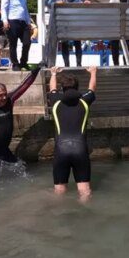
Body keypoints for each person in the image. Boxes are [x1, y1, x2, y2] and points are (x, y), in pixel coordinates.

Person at [47, 66, 97, 201]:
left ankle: (58, 216)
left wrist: (53, 74)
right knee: (84, 189)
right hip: (80, 149)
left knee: (59, 189)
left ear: (62, 87)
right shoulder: (85, 100)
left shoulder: (56, 101)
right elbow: (92, 89)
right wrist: (93, 72)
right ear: (77, 86)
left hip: (61, 149)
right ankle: (85, 216)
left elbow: (52, 89)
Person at [48, 0, 91, 67]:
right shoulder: (58, 0)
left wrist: (86, 2)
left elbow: (84, 3)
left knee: (77, 44)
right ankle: (66, 64)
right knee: (65, 44)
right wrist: (55, 4)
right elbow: (49, 3)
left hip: (75, 25)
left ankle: (79, 64)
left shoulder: (77, 0)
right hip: (64, 26)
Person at [1, 0, 34, 71]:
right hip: (12, 21)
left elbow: (25, 10)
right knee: (13, 44)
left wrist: (29, 23)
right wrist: (5, 21)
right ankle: (15, 64)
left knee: (27, 42)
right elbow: (3, 9)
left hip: (23, 23)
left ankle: (23, 62)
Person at [108, 0, 129, 66]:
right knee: (115, 50)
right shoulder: (113, 1)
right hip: (115, 28)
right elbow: (109, 15)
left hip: (127, 29)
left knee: (127, 50)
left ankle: (126, 67)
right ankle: (116, 66)